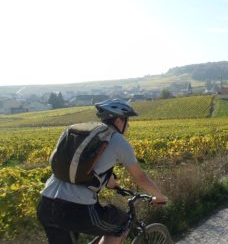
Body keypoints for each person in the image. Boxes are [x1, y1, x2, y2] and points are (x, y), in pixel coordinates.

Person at [37, 98, 168, 244]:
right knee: (122, 224)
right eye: (127, 121)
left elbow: (93, 170)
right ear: (119, 120)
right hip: (77, 209)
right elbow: (140, 177)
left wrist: (114, 184)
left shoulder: (78, 132)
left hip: (46, 204)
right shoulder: (118, 140)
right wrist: (160, 197)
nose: (128, 125)